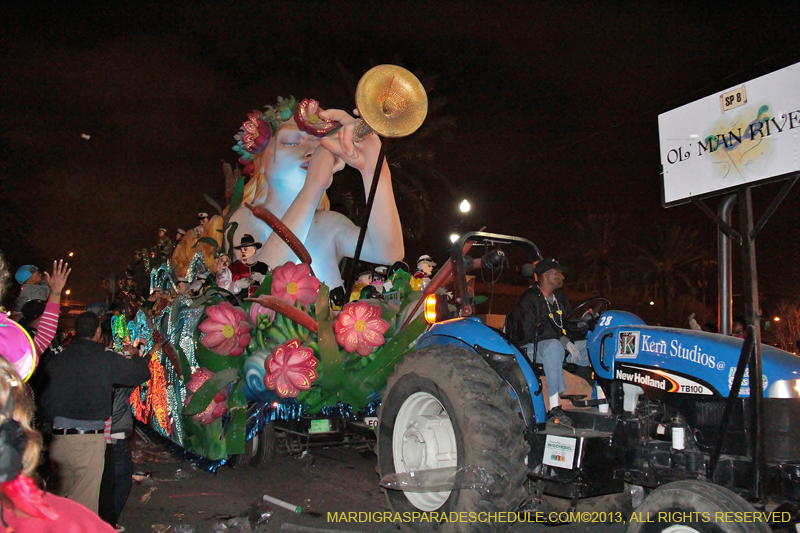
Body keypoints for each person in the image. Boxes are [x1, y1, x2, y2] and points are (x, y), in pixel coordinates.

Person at [222, 99, 404, 288]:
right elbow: (261, 284)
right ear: (260, 163)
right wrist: (312, 189)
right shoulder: (246, 217)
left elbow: (389, 253)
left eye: (319, 147)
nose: (310, 152)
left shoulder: (329, 224)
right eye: (291, 142)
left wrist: (375, 171)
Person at [38, 312, 150, 514]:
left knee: (58, 500)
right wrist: (139, 356)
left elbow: (43, 399)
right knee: (83, 506)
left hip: (57, 439)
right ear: (98, 331)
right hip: (88, 440)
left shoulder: (58, 360)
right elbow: (139, 374)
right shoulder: (104, 360)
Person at [0, 352, 115, 531]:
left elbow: (47, 403)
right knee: (85, 497)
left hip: (61, 436)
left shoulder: (56, 362)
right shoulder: (68, 521)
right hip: (87, 440)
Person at [508, 258, 591, 426]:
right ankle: (555, 407)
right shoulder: (528, 299)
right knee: (554, 346)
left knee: (594, 345)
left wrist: (585, 323)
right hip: (532, 348)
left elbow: (567, 325)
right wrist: (559, 338)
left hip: (559, 346)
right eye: (558, 273)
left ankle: (601, 397)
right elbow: (526, 332)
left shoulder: (560, 299)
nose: (563, 277)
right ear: (546, 275)